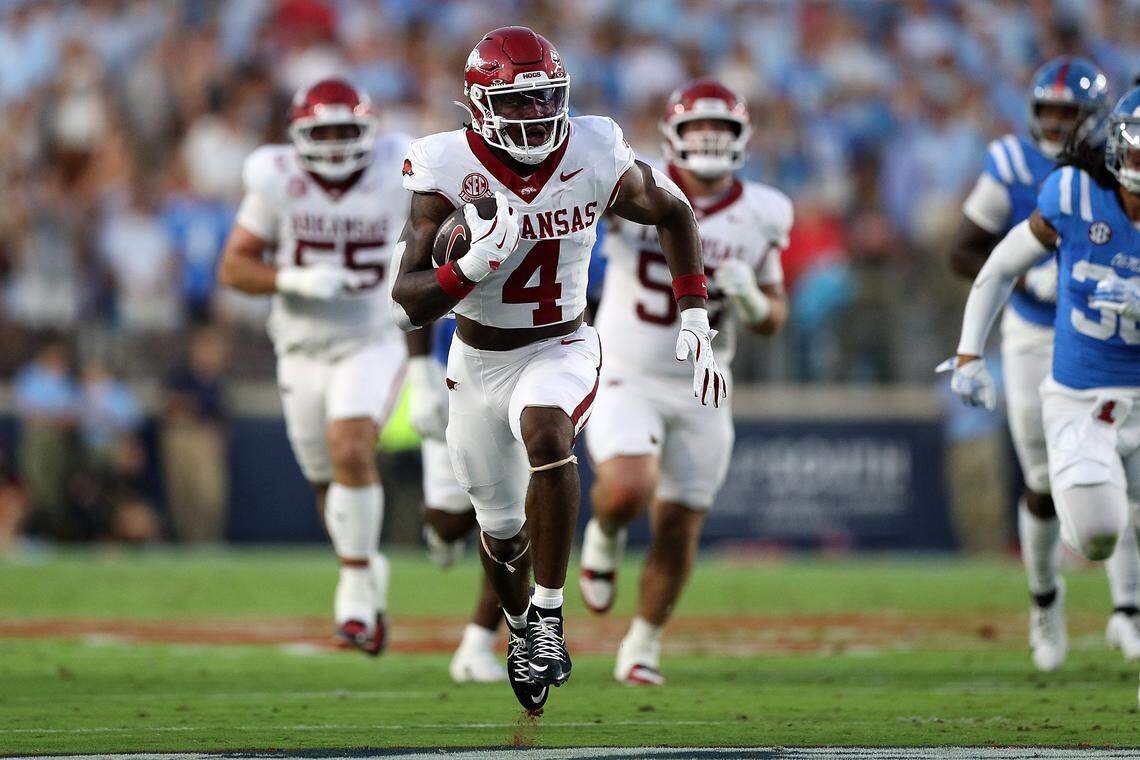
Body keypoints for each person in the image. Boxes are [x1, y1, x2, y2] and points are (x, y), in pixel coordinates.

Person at [391, 26, 726, 713]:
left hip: (561, 345)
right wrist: (468, 268)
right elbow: (408, 301)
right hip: (477, 359)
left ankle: (548, 612)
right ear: (481, 105)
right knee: (498, 530)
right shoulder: (444, 166)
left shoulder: (595, 148)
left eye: (545, 98)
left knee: (548, 432)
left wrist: (695, 313)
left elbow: (674, 211)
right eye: (516, 103)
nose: (535, 114)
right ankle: (519, 631)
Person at [580, 79, 791, 685]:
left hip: (703, 384)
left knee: (679, 524)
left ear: (742, 138)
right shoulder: (639, 190)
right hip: (626, 369)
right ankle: (605, 529)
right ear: (672, 134)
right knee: (627, 489)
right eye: (698, 128)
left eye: (721, 130)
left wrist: (752, 300)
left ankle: (643, 643)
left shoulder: (765, 211)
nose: (709, 140)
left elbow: (776, 317)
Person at [946, 57, 1140, 671]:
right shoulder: (1032, 172)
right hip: (1039, 339)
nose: (1055, 122)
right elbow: (972, 254)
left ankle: (1126, 611)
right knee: (1044, 483)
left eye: (1067, 111)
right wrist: (975, 345)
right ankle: (1045, 604)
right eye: (1047, 109)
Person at [218, 78, 410, 656]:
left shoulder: (398, 169)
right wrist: (291, 278)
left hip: (371, 337)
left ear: (368, 132)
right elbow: (233, 267)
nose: (330, 144)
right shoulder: (277, 180)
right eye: (319, 132)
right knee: (325, 477)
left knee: (351, 446)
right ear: (298, 136)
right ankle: (365, 571)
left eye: (342, 131)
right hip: (300, 346)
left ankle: (352, 592)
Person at [407, 318, 506, 684]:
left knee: (514, 519)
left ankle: (478, 644)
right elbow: (412, 295)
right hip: (454, 367)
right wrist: (420, 377)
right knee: (450, 521)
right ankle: (441, 530)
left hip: (532, 366)